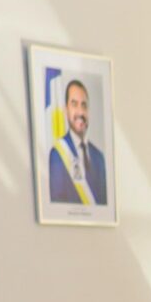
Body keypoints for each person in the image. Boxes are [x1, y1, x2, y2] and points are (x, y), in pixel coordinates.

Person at [47, 76, 109, 207]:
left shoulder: (99, 158)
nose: (80, 112)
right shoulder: (57, 154)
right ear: (66, 110)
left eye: (84, 105)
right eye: (74, 104)